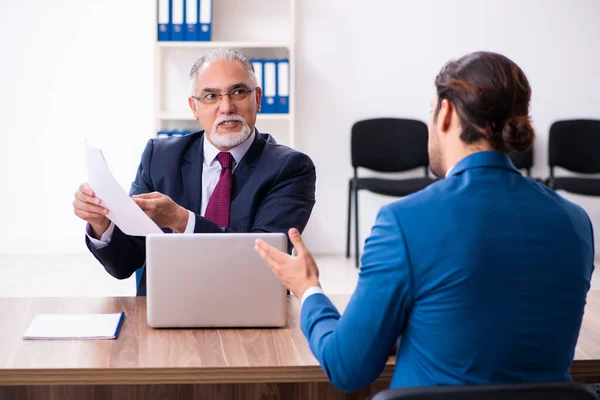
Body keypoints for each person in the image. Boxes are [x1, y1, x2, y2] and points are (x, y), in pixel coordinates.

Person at [255, 51, 595, 391]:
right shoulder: (576, 222)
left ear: (445, 112)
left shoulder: (403, 221)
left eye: (431, 112)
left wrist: (308, 289)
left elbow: (347, 368)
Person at [73, 49, 316, 296]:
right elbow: (124, 264)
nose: (226, 107)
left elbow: (264, 263)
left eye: (239, 92)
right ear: (194, 107)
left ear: (258, 99)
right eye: (211, 96)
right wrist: (101, 222)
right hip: (167, 304)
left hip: (248, 308)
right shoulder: (159, 157)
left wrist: (181, 221)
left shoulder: (291, 168)